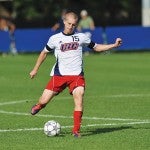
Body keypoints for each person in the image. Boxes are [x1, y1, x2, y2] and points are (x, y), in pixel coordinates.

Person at [30, 11, 122, 137]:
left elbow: (96, 47)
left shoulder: (81, 37)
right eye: (69, 23)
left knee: (79, 98)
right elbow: (44, 53)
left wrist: (114, 45)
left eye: (74, 24)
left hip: (77, 76)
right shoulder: (55, 39)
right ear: (64, 21)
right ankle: (39, 106)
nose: (71, 26)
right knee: (43, 100)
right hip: (59, 75)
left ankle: (76, 131)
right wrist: (35, 69)